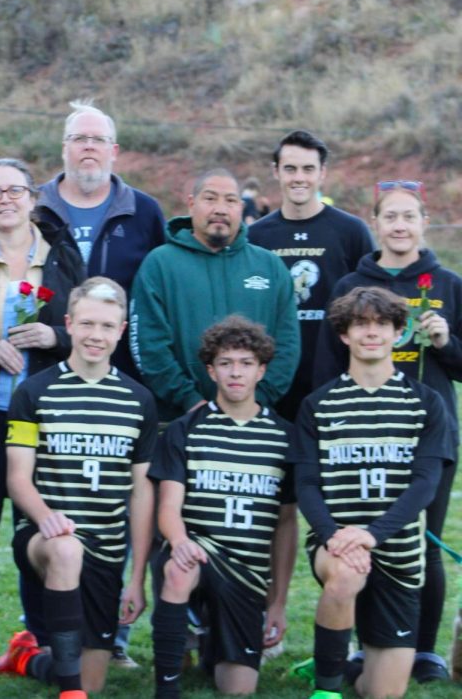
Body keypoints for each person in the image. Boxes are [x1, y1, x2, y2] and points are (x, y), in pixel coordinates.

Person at [313, 180, 462, 683]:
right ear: (374, 223)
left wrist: (446, 342)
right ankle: (358, 643)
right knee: (353, 539)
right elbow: (327, 365)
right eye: (390, 217)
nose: (400, 225)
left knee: (424, 541)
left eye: (409, 216)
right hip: (357, 435)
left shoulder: (448, 284)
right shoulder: (351, 284)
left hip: (427, 434)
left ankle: (423, 650)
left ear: (424, 222)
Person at [0, 277, 155, 697]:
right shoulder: (34, 392)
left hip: (107, 548)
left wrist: (136, 578)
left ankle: (28, 656)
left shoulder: (139, 401)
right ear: (69, 324)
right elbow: (18, 478)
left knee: (90, 679)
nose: (95, 335)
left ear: (121, 330)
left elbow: (140, 493)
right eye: (86, 324)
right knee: (66, 547)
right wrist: (48, 519)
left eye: (106, 326)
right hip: (45, 538)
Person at [0, 157, 85, 684]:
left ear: (33, 197)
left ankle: (44, 641)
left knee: (38, 530)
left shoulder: (63, 253)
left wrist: (57, 338)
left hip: (43, 416)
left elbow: (88, 327)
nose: (5, 200)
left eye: (14, 190)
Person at [294, 287, 452, 699]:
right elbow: (308, 485)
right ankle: (326, 689)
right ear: (344, 335)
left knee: (383, 693)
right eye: (360, 324)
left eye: (382, 324)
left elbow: (425, 484)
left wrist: (374, 534)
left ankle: (343, 666)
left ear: (399, 333)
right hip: (337, 544)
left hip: (399, 554)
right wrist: (334, 534)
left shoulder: (425, 403)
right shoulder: (319, 405)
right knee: (345, 575)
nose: (371, 333)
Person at [148, 316, 297, 697]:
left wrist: (277, 603)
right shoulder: (186, 428)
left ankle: (213, 639)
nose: (236, 373)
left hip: (247, 573)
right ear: (211, 370)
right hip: (201, 550)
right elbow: (168, 507)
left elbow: (284, 524)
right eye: (226, 363)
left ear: (261, 370)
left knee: (238, 689)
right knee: (178, 569)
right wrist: (180, 541)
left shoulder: (283, 437)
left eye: (246, 364)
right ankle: (166, 688)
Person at [129, 168, 299, 422]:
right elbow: (149, 344)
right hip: (180, 422)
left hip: (254, 421)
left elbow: (287, 345)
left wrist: (257, 402)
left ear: (241, 208)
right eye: (210, 199)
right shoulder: (160, 265)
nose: (220, 208)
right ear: (191, 204)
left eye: (230, 200)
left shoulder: (270, 267)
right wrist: (190, 401)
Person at [35, 100, 166, 380]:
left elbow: (161, 293)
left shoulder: (144, 211)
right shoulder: (33, 209)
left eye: (98, 139)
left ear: (113, 151)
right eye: (79, 138)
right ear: (64, 148)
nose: (89, 146)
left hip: (123, 370)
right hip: (44, 367)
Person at [248, 130, 373, 423]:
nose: (299, 177)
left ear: (322, 173)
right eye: (290, 169)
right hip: (273, 382)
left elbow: (373, 304)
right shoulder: (255, 237)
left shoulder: (351, 232)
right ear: (276, 172)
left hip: (339, 377)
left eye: (308, 169)